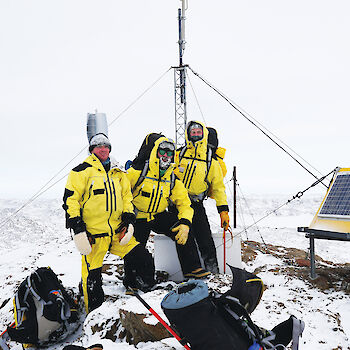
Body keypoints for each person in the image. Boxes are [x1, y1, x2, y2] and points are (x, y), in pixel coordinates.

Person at [63, 133, 155, 313]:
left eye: (106, 146)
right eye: (98, 146)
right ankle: (94, 316)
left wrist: (128, 217)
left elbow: (126, 197)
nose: (103, 149)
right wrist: (77, 227)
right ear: (92, 150)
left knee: (143, 258)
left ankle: (146, 292)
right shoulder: (81, 171)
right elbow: (70, 200)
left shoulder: (118, 173)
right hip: (94, 236)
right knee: (92, 279)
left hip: (116, 233)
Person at [126, 134, 210, 279]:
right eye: (162, 152)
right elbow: (122, 194)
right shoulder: (137, 172)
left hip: (158, 215)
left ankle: (192, 269)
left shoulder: (171, 177)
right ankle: (132, 282)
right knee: (134, 248)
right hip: (138, 216)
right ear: (155, 152)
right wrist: (126, 216)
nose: (166, 156)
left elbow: (184, 202)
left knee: (182, 230)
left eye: (170, 153)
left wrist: (185, 222)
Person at [174, 121, 230, 273]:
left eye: (199, 132)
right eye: (193, 132)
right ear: (188, 134)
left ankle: (213, 270)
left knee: (205, 237)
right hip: (177, 204)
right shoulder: (179, 155)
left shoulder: (210, 161)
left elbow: (218, 188)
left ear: (203, 134)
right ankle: (193, 271)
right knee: (184, 237)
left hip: (196, 203)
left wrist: (223, 211)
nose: (196, 135)